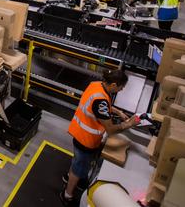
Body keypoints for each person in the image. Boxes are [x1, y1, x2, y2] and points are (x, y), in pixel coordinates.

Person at [60, 70, 139, 206]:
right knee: (79, 167)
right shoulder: (100, 100)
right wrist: (128, 124)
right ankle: (67, 195)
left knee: (78, 162)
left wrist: (118, 111)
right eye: (121, 87)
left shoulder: (96, 85)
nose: (121, 90)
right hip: (86, 139)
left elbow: (102, 105)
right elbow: (110, 129)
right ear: (114, 85)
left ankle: (69, 177)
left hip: (78, 132)